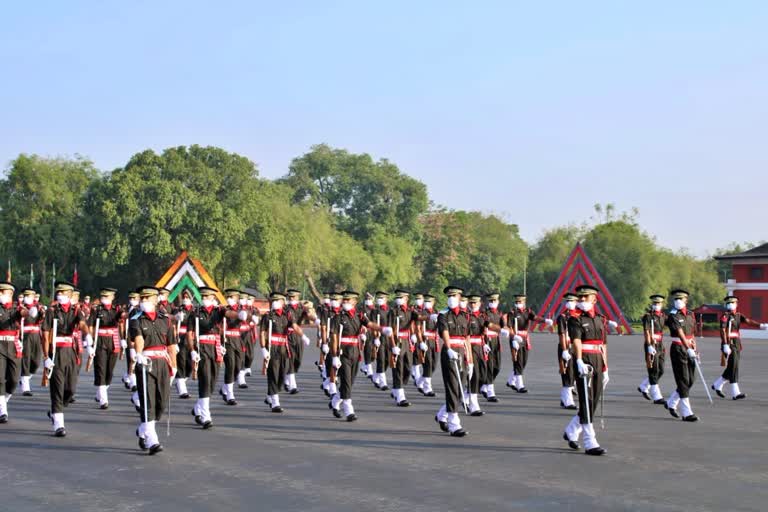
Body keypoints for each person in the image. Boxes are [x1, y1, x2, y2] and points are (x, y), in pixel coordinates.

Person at [130, 286, 177, 454]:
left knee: (161, 402)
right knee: (148, 400)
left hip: (163, 363)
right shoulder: (136, 319)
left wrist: (174, 366)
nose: (143, 302)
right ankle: (152, 440)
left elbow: (171, 344)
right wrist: (139, 354)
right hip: (146, 363)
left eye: (147, 298)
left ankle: (144, 429)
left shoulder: (166, 319)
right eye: (142, 299)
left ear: (156, 300)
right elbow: (138, 338)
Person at [563, 285, 607, 456]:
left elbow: (603, 344)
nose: (581, 301)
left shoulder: (600, 319)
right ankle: (590, 441)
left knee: (593, 401)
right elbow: (576, 341)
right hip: (585, 361)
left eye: (585, 298)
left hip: (598, 360)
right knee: (586, 400)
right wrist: (579, 360)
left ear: (594, 300)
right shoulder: (575, 319)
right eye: (579, 298)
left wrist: (606, 367)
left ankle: (571, 430)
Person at [41, 281, 88, 437]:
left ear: (69, 295)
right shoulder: (52, 311)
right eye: (58, 293)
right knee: (57, 387)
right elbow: (46, 333)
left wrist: (88, 336)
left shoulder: (76, 310)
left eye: (63, 293)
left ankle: (56, 410)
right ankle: (59, 423)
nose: (60, 295)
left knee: (70, 389)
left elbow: (82, 324)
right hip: (56, 351)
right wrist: (46, 356)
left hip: (71, 351)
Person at [711, 295, 768, 400]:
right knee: (734, 367)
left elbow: (748, 321)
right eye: (729, 303)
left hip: (736, 343)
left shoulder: (738, 315)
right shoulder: (725, 316)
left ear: (736, 304)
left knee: (732, 366)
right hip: (729, 343)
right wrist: (725, 344)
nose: (730, 304)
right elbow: (722, 330)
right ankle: (735, 393)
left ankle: (717, 384)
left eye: (733, 303)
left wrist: (760, 326)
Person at [260, 292, 307, 413]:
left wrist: (303, 336)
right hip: (272, 347)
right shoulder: (268, 316)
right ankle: (275, 402)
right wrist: (263, 349)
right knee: (273, 374)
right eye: (273, 300)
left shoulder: (288, 315)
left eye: (278, 300)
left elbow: (295, 326)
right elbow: (262, 333)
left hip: (283, 347)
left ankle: (270, 395)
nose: (275, 302)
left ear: (283, 302)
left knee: (281, 375)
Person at [435, 286, 471, 437]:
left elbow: (467, 338)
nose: (451, 298)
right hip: (450, 353)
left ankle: (442, 414)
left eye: (454, 295)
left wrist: (470, 360)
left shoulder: (465, 315)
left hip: (462, 352)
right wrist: (449, 348)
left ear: (460, 296)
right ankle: (454, 423)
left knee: (460, 387)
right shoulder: (443, 314)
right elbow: (444, 332)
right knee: (452, 387)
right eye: (449, 295)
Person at [187, 287, 223, 429]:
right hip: (201, 347)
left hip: (215, 347)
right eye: (203, 297)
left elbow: (229, 315)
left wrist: (239, 314)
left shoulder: (218, 312)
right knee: (205, 379)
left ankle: (198, 407)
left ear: (214, 298)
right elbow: (190, 333)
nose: (205, 299)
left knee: (212, 382)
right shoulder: (195, 313)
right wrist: (192, 350)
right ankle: (205, 415)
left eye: (208, 297)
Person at [505, 294, 553, 393]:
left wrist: (545, 320)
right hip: (516, 338)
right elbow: (509, 327)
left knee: (523, 361)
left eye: (520, 302)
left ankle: (511, 380)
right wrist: (513, 338)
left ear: (524, 303)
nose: (518, 304)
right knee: (518, 361)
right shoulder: (512, 313)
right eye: (516, 302)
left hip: (524, 338)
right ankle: (520, 385)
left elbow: (535, 318)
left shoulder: (528, 311)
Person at [664, 289, 699, 422]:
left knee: (691, 379)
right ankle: (686, 412)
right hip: (679, 348)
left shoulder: (691, 314)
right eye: (675, 299)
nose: (678, 301)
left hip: (689, 347)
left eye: (680, 299)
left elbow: (691, 333)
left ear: (686, 300)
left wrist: (694, 347)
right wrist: (687, 347)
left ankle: (671, 402)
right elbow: (680, 333)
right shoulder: (673, 315)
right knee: (683, 380)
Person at [88, 287, 123, 409]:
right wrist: (91, 341)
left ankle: (100, 392)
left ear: (112, 298)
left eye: (107, 297)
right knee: (101, 368)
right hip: (100, 340)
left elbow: (122, 319)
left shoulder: (116, 309)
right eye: (103, 296)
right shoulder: (97, 310)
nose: (104, 299)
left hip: (113, 340)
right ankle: (103, 399)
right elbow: (91, 325)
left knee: (109, 371)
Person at [0, 282, 27, 423]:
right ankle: (2, 411)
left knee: (14, 380)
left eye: (2, 292)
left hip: (13, 345)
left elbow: (23, 313)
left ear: (10, 294)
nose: (0, 295)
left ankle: (3, 400)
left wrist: (27, 311)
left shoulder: (17, 308)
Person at [638, 295, 667, 405]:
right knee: (653, 370)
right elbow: (647, 332)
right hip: (651, 344)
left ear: (662, 304)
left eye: (658, 303)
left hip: (660, 344)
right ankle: (657, 396)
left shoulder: (663, 316)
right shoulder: (648, 316)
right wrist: (649, 345)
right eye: (655, 303)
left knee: (661, 370)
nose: (656, 305)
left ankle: (644, 386)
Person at [284, 289, 313, 394]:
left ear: (297, 297)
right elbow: (293, 324)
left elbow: (309, 315)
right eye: (290, 297)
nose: (291, 299)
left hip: (298, 335)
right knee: (290, 359)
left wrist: (317, 320)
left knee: (297, 360)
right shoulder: (286, 309)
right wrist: (304, 336)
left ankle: (287, 379)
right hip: (289, 335)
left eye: (293, 297)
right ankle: (292, 386)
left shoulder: (301, 307)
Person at [19, 288, 43, 397]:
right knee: (26, 359)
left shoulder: (38, 306)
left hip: (36, 335)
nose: (29, 298)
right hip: (25, 335)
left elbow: (42, 320)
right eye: (27, 296)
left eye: (31, 296)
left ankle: (26, 378)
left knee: (36, 361)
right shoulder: (20, 307)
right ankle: (25, 386)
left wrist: (42, 313)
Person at [556, 292, 578, 410]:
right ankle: (568, 401)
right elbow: (562, 334)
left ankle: (564, 399)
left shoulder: (578, 316)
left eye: (572, 301)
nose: (570, 303)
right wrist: (565, 350)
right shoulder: (562, 317)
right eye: (568, 301)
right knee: (567, 374)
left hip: (575, 347)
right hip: (566, 346)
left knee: (574, 374)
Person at [173, 290, 195, 399]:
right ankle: (182, 390)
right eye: (184, 296)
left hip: (191, 339)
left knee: (190, 365)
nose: (185, 298)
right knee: (180, 362)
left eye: (187, 296)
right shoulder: (178, 309)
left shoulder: (196, 310)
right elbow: (172, 324)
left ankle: (181, 381)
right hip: (180, 338)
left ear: (191, 298)